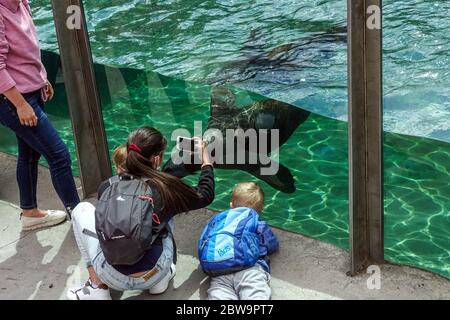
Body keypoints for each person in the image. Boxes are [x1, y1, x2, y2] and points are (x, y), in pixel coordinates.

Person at [67, 127, 215, 300]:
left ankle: (97, 286)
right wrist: (206, 161)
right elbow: (205, 194)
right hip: (155, 272)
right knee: (164, 214)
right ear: (157, 159)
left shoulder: (107, 186)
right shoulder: (165, 190)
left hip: (111, 274)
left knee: (80, 210)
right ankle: (159, 282)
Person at [0, 0, 80, 230]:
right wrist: (21, 105)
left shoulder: (20, 3)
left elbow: (28, 47)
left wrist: (40, 77)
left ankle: (30, 212)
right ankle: (81, 220)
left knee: (30, 153)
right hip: (13, 99)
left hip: (29, 91)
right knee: (59, 156)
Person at [199, 182, 279, 300]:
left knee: (219, 294)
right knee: (255, 293)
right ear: (260, 209)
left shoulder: (219, 220)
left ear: (231, 205)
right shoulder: (259, 224)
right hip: (250, 268)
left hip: (221, 269)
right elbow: (272, 245)